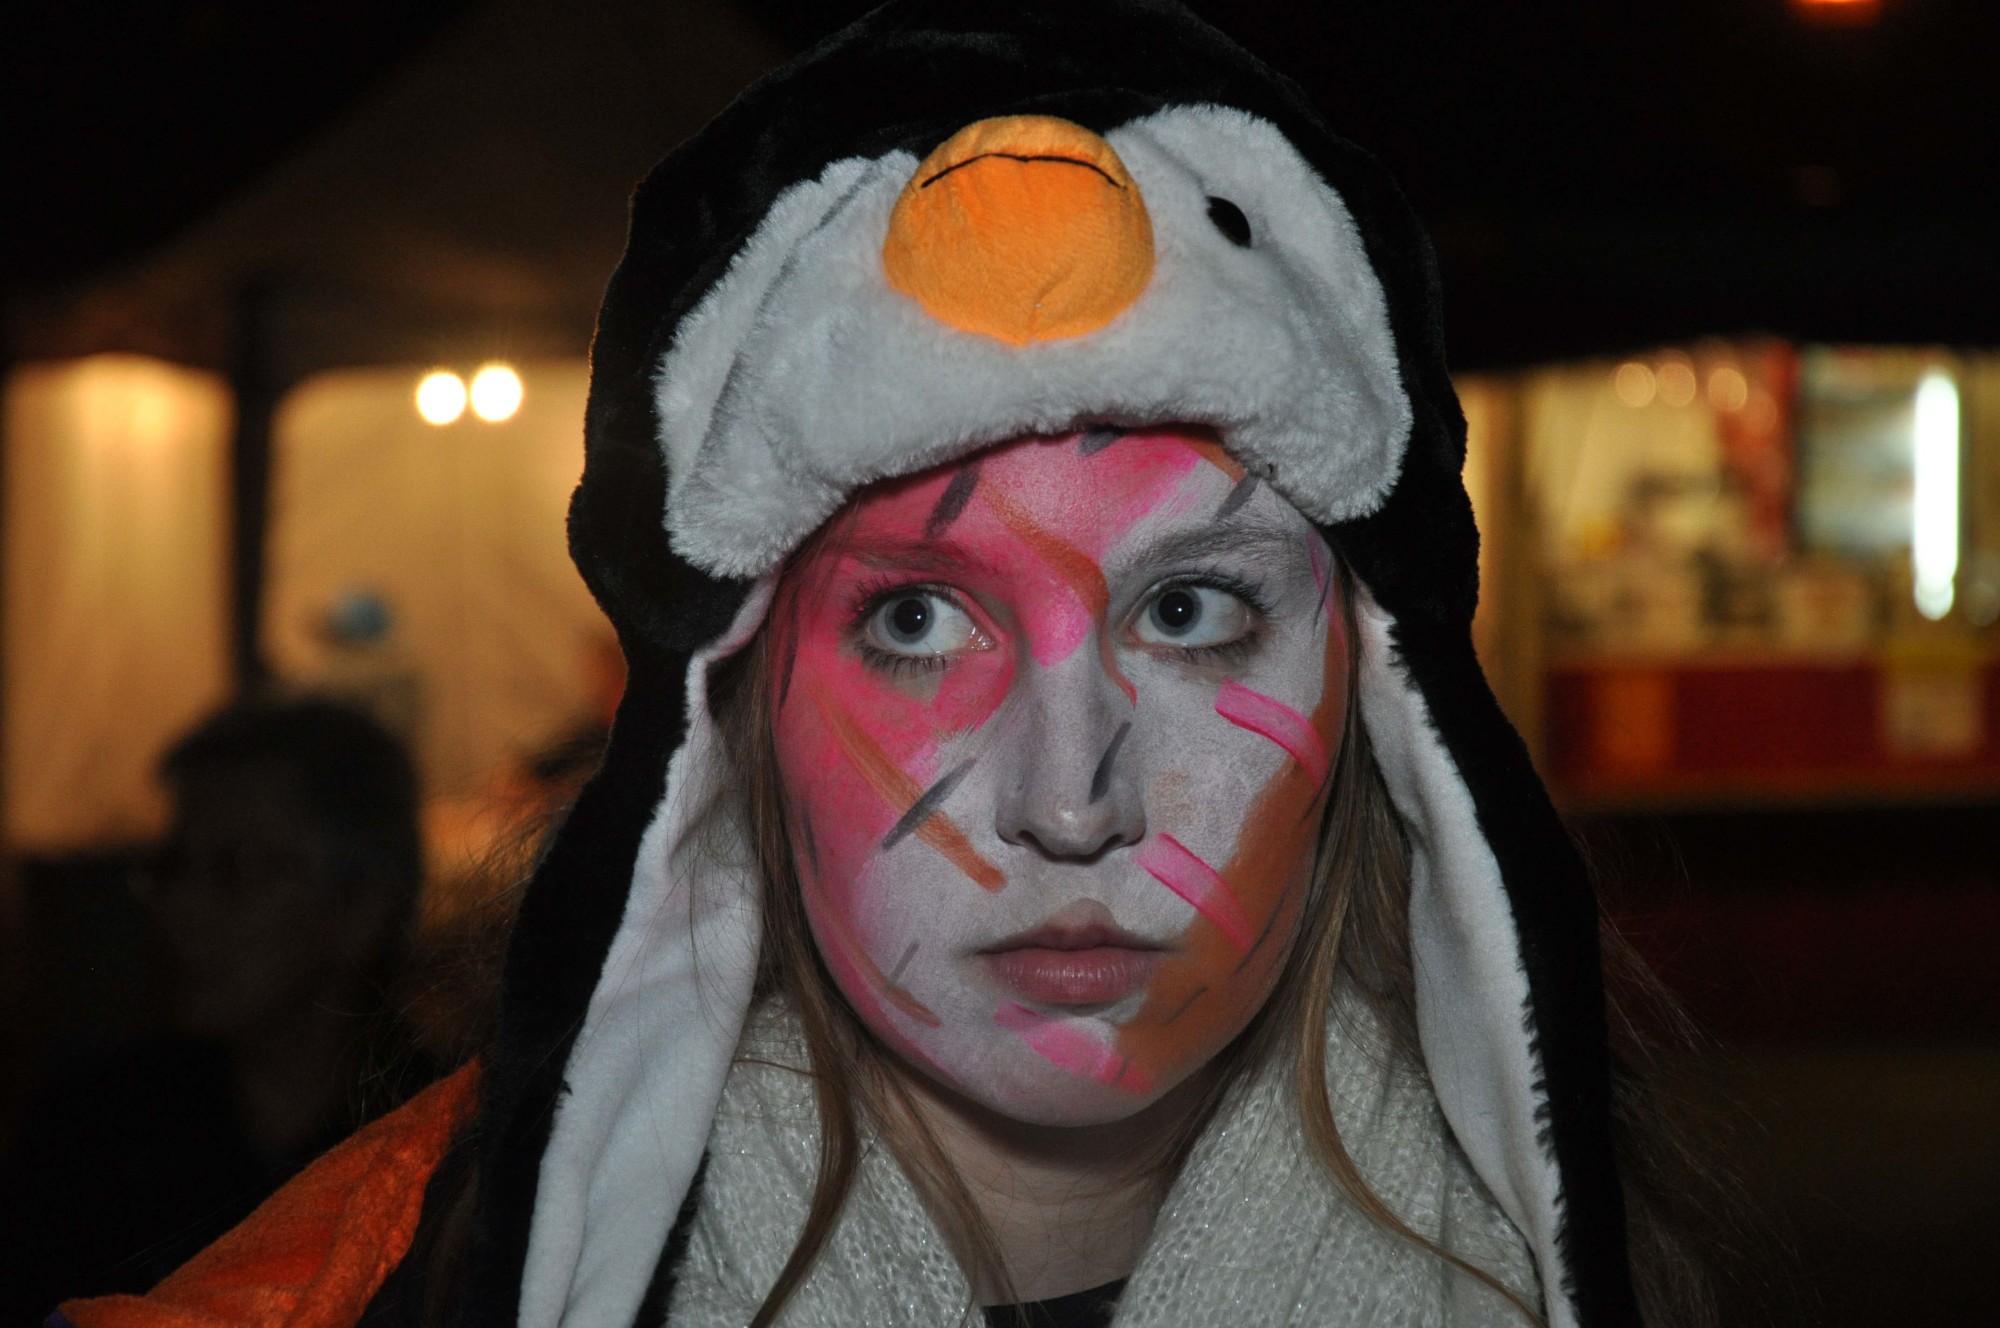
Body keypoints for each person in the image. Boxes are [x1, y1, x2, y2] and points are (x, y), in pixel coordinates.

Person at [50, 3, 1728, 1326]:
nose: (1070, 799)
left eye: (1191, 609)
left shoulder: (1561, 1272)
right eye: (917, 618)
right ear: (728, 719)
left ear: (1381, 705)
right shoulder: (390, 1287)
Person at [2, 698, 427, 1324]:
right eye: (172, 866)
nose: (182, 907)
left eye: (239, 868)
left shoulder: (437, 1141)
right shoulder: (95, 1134)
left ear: (364, 906)